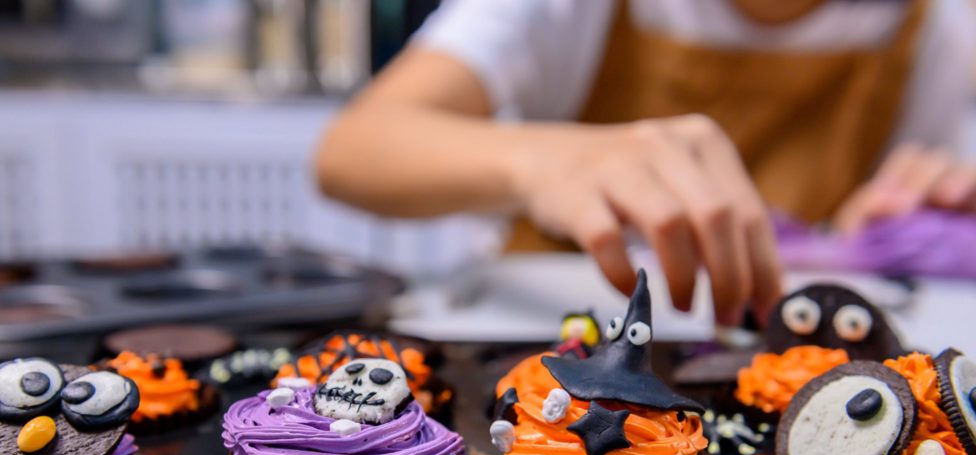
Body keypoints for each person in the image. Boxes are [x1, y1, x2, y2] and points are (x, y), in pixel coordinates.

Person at [315, 0, 975, 324]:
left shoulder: (932, 29)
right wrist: (543, 161)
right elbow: (352, 149)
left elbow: (859, 228)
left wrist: (877, 227)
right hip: (545, 335)